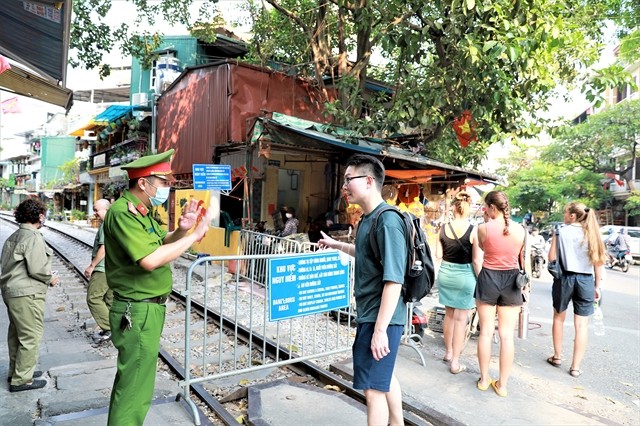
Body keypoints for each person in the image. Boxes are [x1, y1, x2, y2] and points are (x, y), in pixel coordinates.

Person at [103, 149, 213, 425]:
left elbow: (157, 243)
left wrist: (183, 230)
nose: (167, 187)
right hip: (137, 310)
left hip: (147, 310)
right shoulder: (123, 213)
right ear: (143, 183)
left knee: (135, 383)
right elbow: (150, 260)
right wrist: (196, 236)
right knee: (134, 390)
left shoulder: (143, 212)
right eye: (163, 182)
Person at [317, 154, 407, 426]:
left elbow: (394, 280)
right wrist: (337, 245)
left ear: (368, 181)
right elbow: (366, 254)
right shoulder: (369, 219)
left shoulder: (388, 221)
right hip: (372, 313)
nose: (344, 185)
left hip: (383, 316)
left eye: (348, 179)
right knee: (385, 376)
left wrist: (380, 330)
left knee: (372, 390)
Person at [0, 198, 59, 392]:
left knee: (17, 334)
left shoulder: (14, 236)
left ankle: (17, 372)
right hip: (27, 293)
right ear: (40, 216)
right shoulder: (33, 237)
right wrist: (50, 278)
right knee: (30, 335)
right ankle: (22, 380)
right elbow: (37, 269)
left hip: (12, 291)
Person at [475, 191, 528, 397]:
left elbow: (482, 248)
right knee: (507, 336)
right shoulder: (521, 231)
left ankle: (484, 378)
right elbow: (521, 257)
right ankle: (503, 385)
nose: (485, 211)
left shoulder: (482, 229)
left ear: (492, 208)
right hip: (512, 281)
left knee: (486, 332)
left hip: (488, 277)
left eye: (486, 207)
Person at [547, 202, 606, 378]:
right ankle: (575, 367)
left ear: (572, 216)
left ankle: (557, 357)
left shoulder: (560, 231)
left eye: (565, 212)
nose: (564, 215)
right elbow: (598, 262)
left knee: (558, 317)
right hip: (586, 280)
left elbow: (552, 257)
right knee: (581, 326)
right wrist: (597, 286)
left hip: (564, 278)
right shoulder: (592, 233)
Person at [435, 191, 482, 374]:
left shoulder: (442, 228)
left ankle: (448, 352)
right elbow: (477, 261)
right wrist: (481, 279)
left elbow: (438, 255)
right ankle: (455, 362)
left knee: (449, 315)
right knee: (461, 319)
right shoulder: (474, 230)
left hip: (446, 274)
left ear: (453, 208)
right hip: (465, 277)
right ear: (468, 209)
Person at [83, 199, 113, 343]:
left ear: (106, 209)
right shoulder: (114, 223)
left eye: (96, 210)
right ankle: (111, 330)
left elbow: (104, 247)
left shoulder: (106, 225)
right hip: (113, 268)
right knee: (109, 300)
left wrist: (92, 265)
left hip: (102, 269)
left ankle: (111, 329)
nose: (94, 213)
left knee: (93, 298)